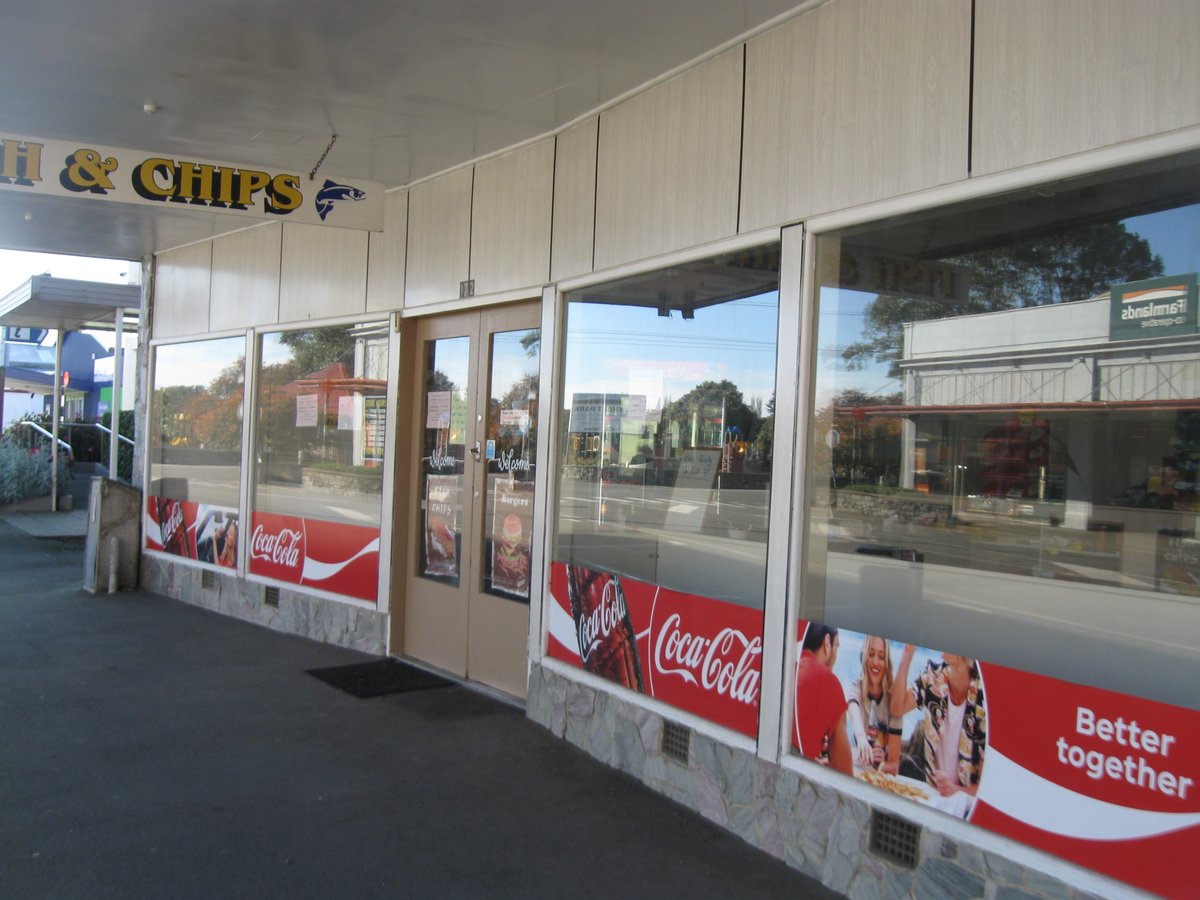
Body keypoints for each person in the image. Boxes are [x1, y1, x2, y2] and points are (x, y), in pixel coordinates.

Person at [890, 643, 986, 797]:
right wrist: (907, 654)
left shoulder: (984, 700)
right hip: (933, 796)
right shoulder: (933, 677)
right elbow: (897, 708)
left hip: (967, 807)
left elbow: (987, 786)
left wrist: (957, 791)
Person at [794, 623, 852, 775]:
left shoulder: (787, 664)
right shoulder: (829, 682)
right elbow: (844, 771)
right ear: (827, 643)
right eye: (836, 647)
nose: (836, 656)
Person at [845, 635, 902, 773]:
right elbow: (853, 711)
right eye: (871, 654)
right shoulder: (856, 687)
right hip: (858, 763)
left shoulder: (893, 700)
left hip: (880, 773)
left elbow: (893, 762)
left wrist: (883, 758)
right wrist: (862, 741)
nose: (876, 662)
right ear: (864, 657)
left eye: (881, 657)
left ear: (886, 662)